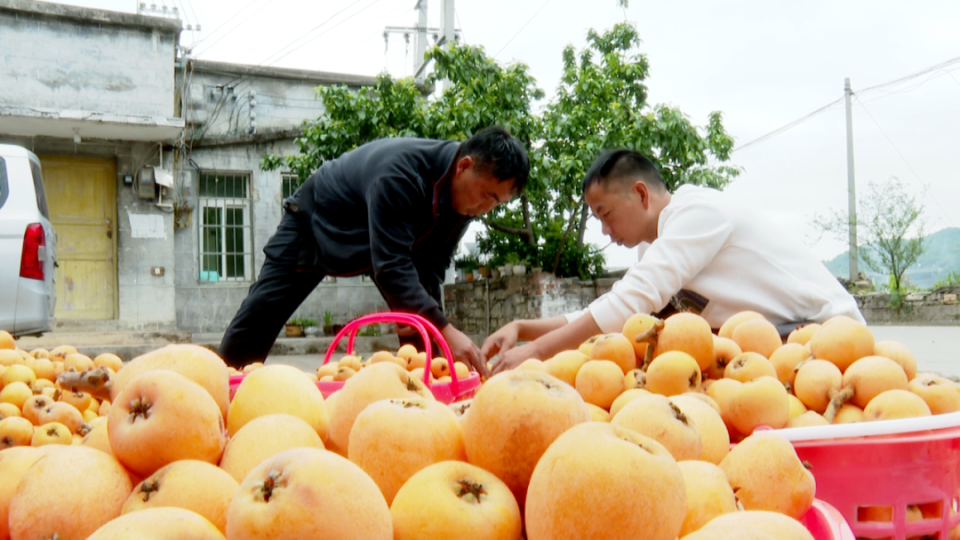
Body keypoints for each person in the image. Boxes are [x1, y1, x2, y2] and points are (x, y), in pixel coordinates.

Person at [482, 148, 865, 373]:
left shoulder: (697, 212)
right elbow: (614, 311)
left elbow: (631, 301)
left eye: (605, 213)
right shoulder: (657, 247)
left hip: (826, 338)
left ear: (641, 194)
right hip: (773, 350)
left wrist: (536, 352)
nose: (604, 231)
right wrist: (524, 327)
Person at [219, 126, 529, 372]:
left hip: (381, 244)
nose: (486, 208)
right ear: (464, 166)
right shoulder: (400, 173)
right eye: (488, 195)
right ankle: (221, 387)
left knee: (424, 334)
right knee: (259, 315)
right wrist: (448, 330)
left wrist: (439, 339)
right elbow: (392, 267)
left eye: (496, 203)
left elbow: (431, 267)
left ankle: (427, 400)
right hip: (317, 219)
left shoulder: (464, 204)